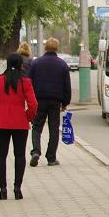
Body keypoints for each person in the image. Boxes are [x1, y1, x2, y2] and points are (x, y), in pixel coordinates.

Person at [0, 52, 37, 200]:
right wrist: (28, 117)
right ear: (21, 64)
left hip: (0, 123)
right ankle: (17, 188)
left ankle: (3, 189)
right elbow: (33, 104)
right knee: (20, 155)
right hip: (20, 123)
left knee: (1, 155)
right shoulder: (25, 82)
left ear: (7, 64)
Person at [28, 38, 71, 168]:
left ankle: (35, 151)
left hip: (38, 100)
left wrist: (30, 101)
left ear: (45, 47)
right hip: (55, 101)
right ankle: (51, 158)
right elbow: (66, 86)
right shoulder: (62, 64)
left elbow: (29, 83)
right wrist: (65, 103)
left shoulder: (36, 63)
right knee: (53, 129)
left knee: (36, 127)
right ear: (57, 48)